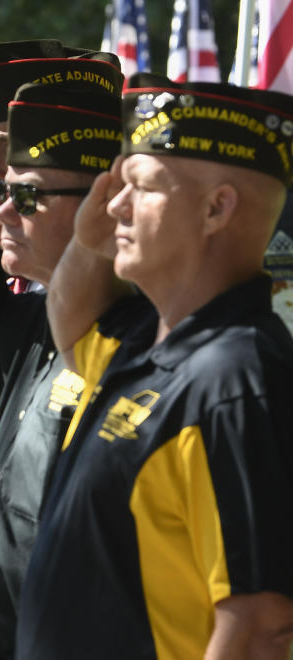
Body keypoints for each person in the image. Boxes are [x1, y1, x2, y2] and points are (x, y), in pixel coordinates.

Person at [20, 74, 293, 658]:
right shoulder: (160, 352)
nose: (112, 203)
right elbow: (73, 328)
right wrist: (93, 244)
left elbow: (259, 625)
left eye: (139, 187)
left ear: (217, 208)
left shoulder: (234, 380)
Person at [0, 82, 122, 659]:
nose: (1, 207)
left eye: (26, 196)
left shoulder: (140, 341)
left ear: (102, 203)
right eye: (4, 191)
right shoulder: (42, 322)